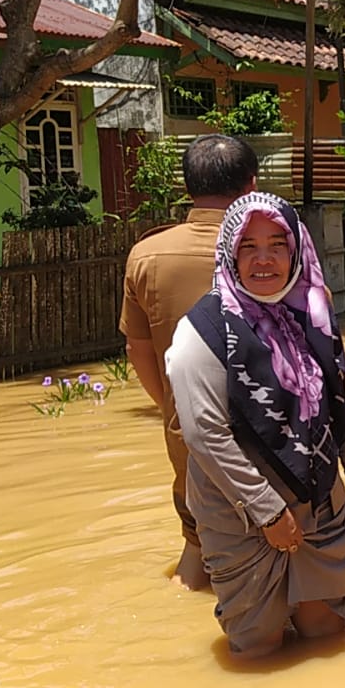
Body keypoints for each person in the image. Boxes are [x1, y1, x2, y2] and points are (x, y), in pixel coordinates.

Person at [166, 192, 345, 658]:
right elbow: (204, 434)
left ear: (296, 249)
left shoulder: (314, 312)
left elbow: (342, 394)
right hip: (237, 507)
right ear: (229, 252)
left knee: (327, 628)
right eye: (248, 247)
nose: (264, 260)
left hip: (320, 493)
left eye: (277, 245)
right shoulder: (200, 331)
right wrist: (266, 511)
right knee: (257, 645)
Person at [120, 135, 257, 590]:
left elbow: (139, 352)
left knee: (198, 543)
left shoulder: (147, 254)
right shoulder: (272, 247)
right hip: (269, 428)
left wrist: (174, 406)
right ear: (252, 184)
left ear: (188, 185)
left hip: (189, 429)